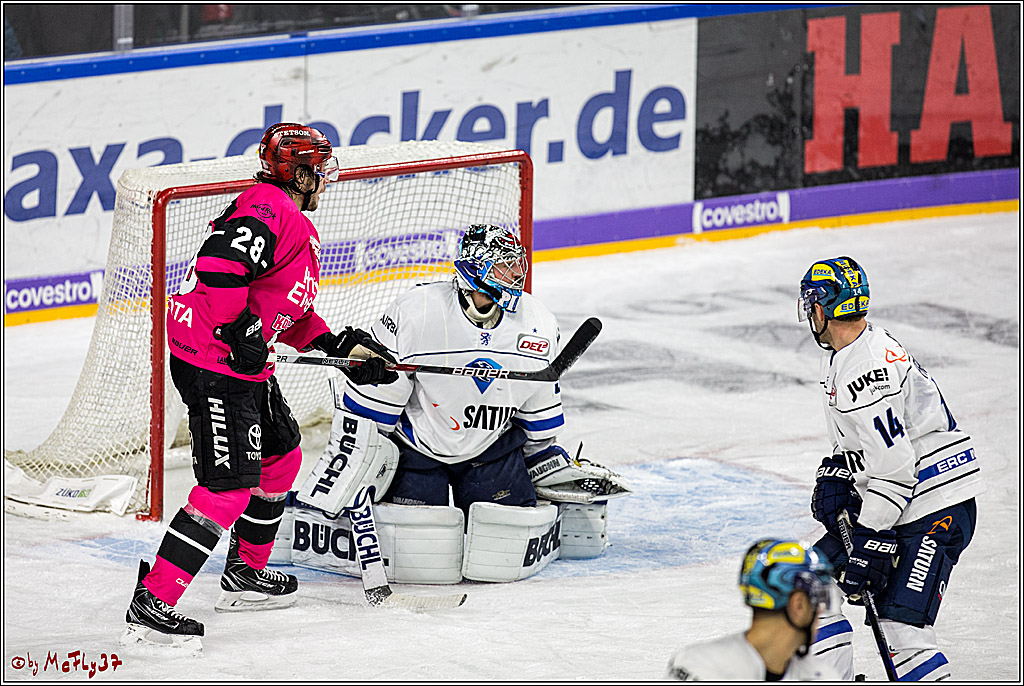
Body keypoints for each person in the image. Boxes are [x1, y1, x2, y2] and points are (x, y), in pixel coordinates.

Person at [121, 123, 398, 651]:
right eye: (319, 169)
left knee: (281, 459)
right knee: (227, 488)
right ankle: (152, 604)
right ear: (299, 172)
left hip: (243, 366)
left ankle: (245, 575)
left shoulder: (288, 218)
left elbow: (285, 309)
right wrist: (238, 329)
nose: (325, 179)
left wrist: (340, 348)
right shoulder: (267, 208)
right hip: (215, 364)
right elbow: (219, 271)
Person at [335, 224, 628, 582]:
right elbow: (376, 400)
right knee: (416, 549)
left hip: (491, 450)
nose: (516, 274)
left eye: (516, 264)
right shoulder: (418, 310)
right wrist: (363, 455)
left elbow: (537, 409)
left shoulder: (536, 322)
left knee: (506, 542)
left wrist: (540, 459)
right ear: (475, 271)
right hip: (417, 448)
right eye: (503, 266)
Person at [798, 256, 983, 681]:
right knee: (807, 581)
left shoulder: (866, 369)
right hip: (905, 502)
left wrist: (870, 538)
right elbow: (878, 448)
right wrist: (839, 471)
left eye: (812, 304)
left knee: (901, 630)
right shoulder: (857, 350)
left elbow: (896, 467)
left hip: (934, 507)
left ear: (824, 307)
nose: (810, 314)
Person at [667, 539, 840, 681]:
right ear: (799, 605)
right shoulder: (702, 670)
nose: (820, 611)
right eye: (818, 600)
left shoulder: (698, 663)